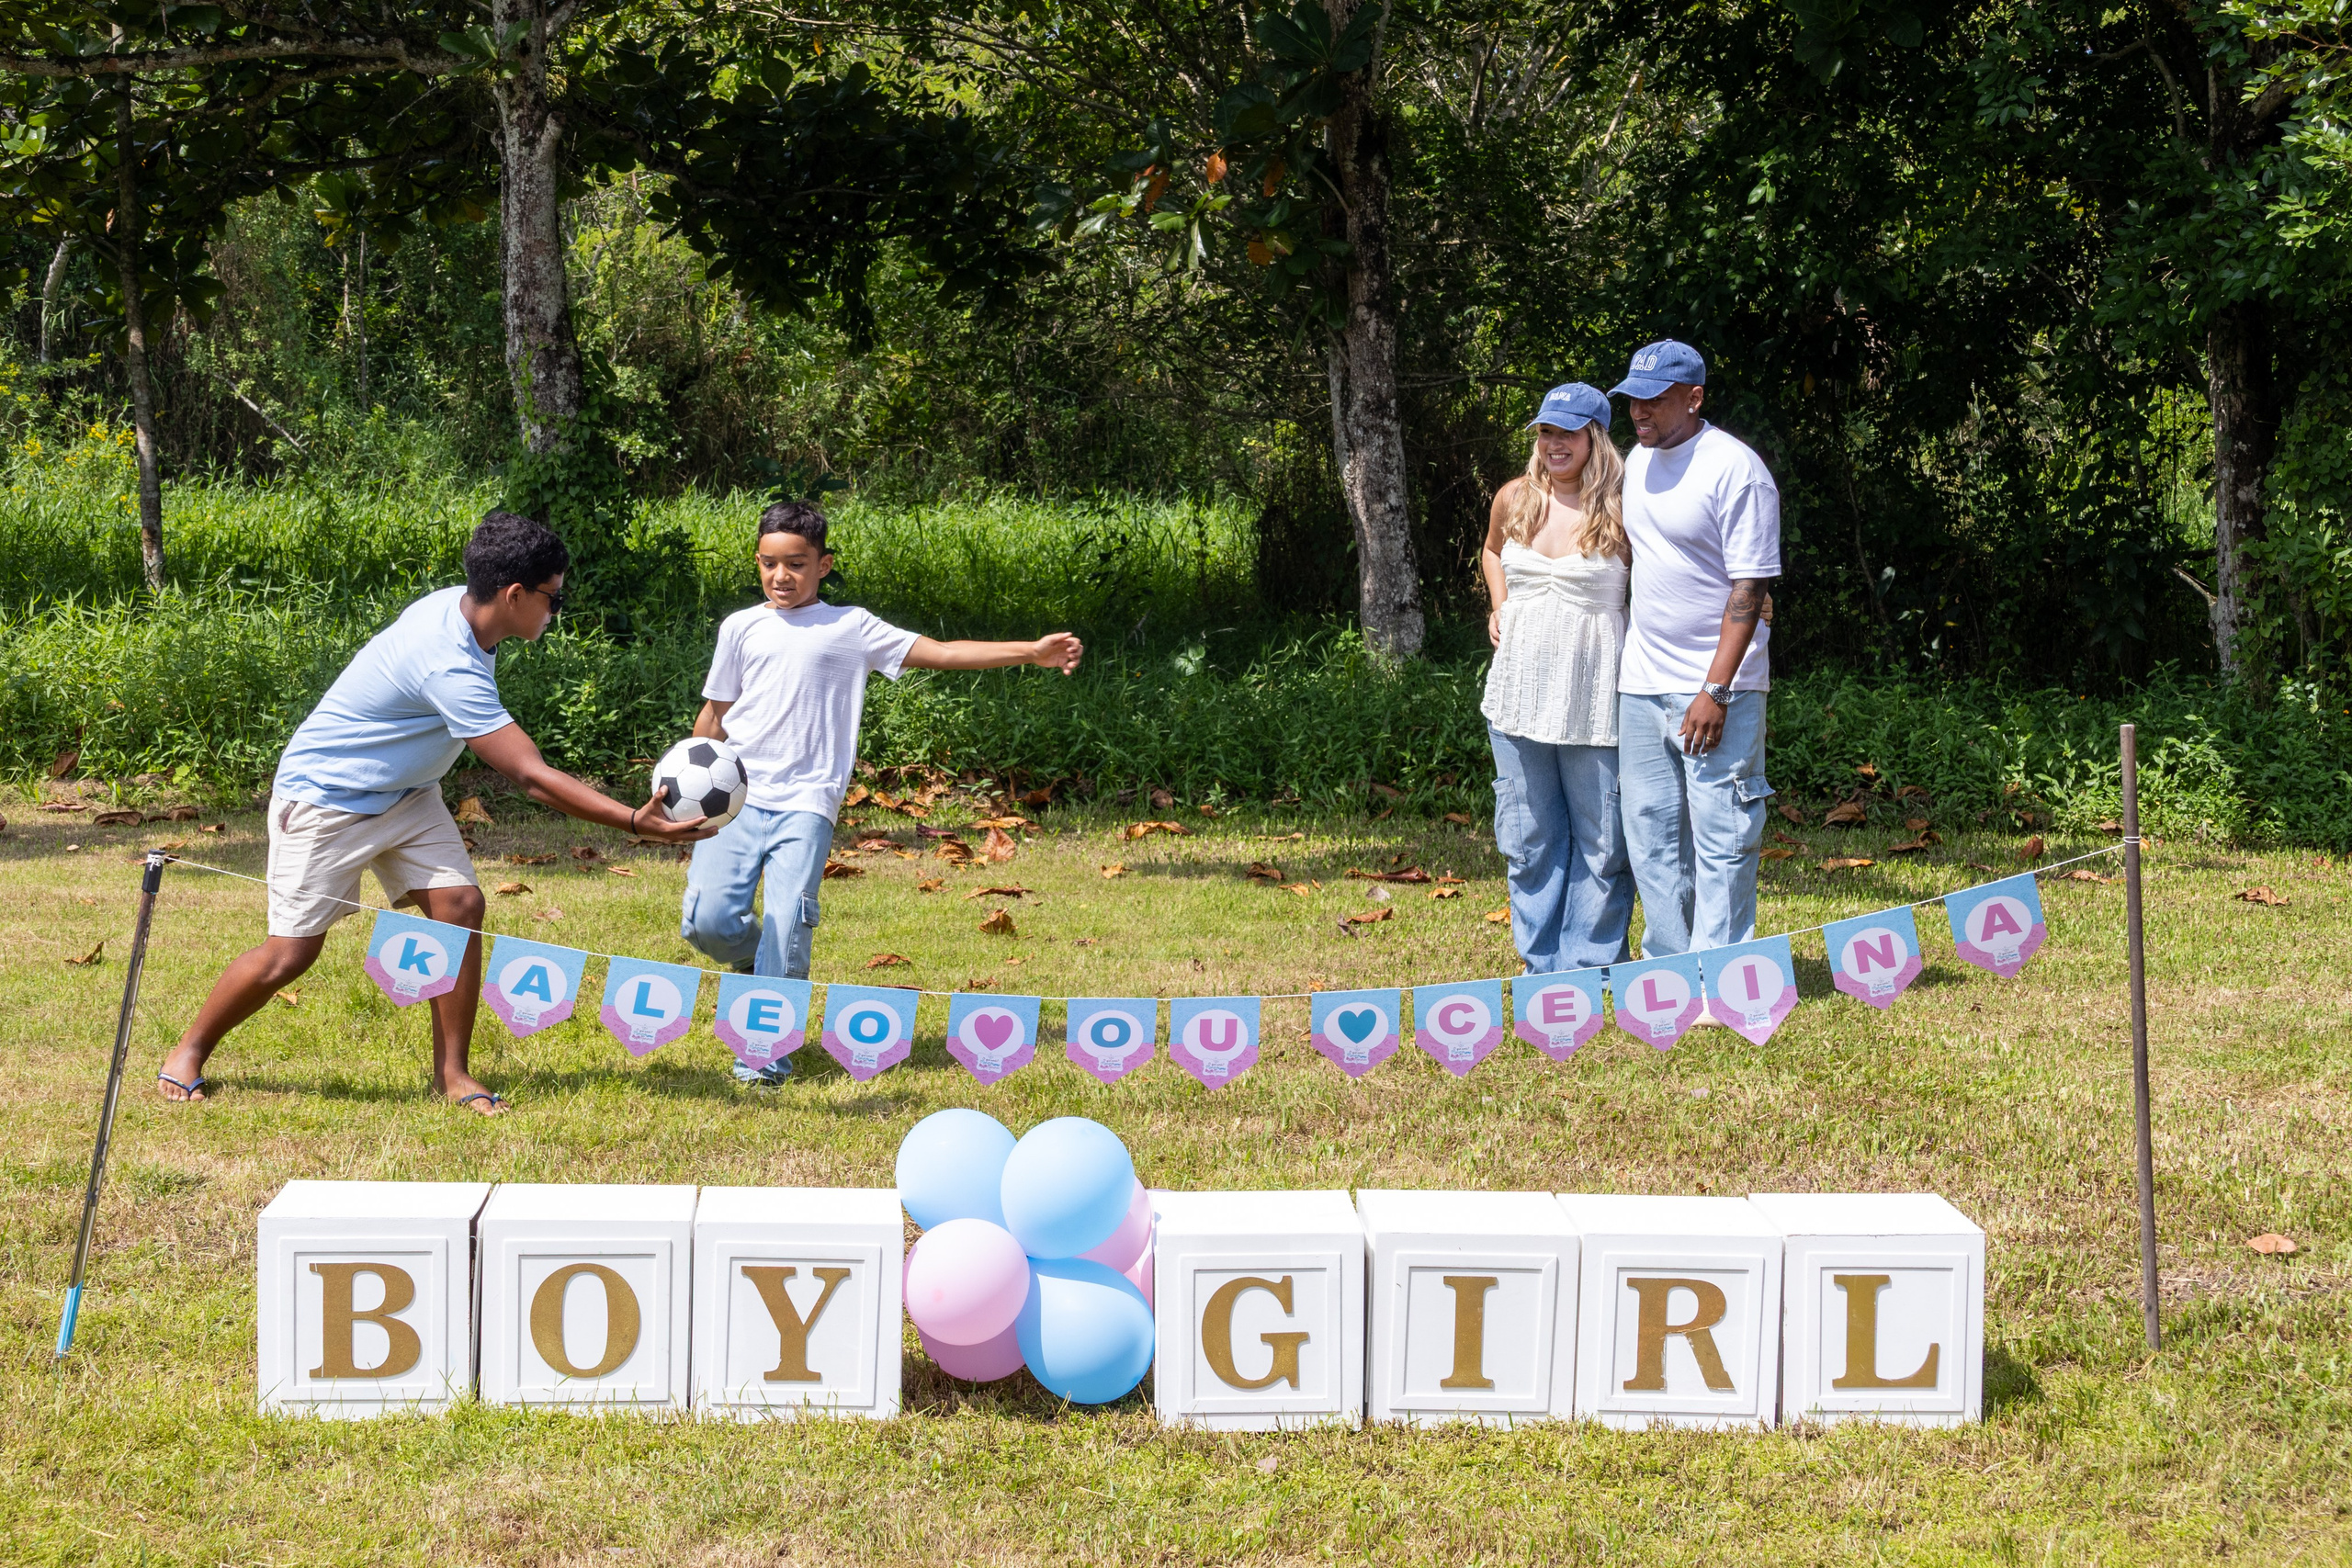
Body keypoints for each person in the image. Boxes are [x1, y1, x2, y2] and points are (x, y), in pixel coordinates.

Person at [156, 512, 708, 1113]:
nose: (556, 610)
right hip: (327, 798)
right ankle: (188, 1049)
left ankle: (452, 1072)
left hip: (409, 792)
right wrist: (633, 820)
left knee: (460, 904)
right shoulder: (447, 663)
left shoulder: (468, 611)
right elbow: (531, 778)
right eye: (554, 597)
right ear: (515, 594)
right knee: (290, 954)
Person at [681, 500, 1084, 1080]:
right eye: (770, 564)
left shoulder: (852, 627)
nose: (781, 576)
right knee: (708, 924)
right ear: (758, 562)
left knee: (789, 922)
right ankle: (750, 956)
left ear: (824, 564)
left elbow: (942, 654)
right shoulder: (740, 627)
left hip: (807, 802)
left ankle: (763, 1057)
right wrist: (686, 790)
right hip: (735, 796)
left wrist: (1030, 651)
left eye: (796, 563)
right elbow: (715, 715)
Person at [1607, 340, 1781, 955]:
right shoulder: (1638, 461)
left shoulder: (1736, 469)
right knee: (1650, 836)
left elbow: (1751, 586)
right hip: (1642, 684)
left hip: (1713, 689)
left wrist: (1716, 689)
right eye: (1632, 399)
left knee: (1724, 835)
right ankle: (1670, 970)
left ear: (1695, 396)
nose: (1639, 411)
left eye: (1654, 399)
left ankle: (1723, 974)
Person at [1477, 381, 1636, 974]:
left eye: (1568, 432)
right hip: (1518, 694)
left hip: (1596, 696)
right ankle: (1539, 966)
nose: (1555, 444)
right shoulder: (1515, 498)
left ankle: (1590, 964)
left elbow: (1672, 574)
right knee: (1529, 837)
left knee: (1603, 842)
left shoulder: (1623, 506)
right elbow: (1493, 551)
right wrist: (1499, 605)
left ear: (1595, 437)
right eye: (1546, 431)